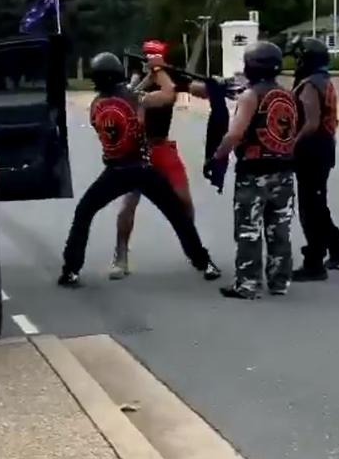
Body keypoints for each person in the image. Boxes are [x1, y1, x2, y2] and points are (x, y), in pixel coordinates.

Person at [58, 52, 221, 287]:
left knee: (84, 212)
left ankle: (70, 270)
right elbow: (168, 95)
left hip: (114, 171)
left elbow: (129, 96)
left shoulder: (96, 105)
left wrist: (149, 74)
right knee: (178, 215)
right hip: (141, 168)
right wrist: (159, 70)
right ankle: (204, 263)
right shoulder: (137, 99)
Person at [206, 41, 298, 299]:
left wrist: (217, 156)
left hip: (254, 173)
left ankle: (247, 284)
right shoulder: (286, 95)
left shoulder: (250, 96)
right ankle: (280, 282)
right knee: (280, 229)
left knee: (249, 229)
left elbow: (235, 134)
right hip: (284, 171)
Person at [109, 40, 194, 280]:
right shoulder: (137, 81)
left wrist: (216, 87)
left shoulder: (170, 78)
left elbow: (187, 90)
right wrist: (151, 74)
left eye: (155, 58)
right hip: (139, 150)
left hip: (162, 146)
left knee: (184, 201)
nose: (152, 62)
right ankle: (120, 255)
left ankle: (192, 245)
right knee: (128, 205)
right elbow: (134, 96)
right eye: (149, 57)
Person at [291, 38, 339, 282]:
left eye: (298, 57)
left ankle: (314, 262)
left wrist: (291, 145)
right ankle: (338, 248)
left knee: (310, 207)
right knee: (316, 203)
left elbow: (311, 123)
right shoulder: (322, 79)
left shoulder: (309, 84)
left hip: (312, 149)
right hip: (323, 148)